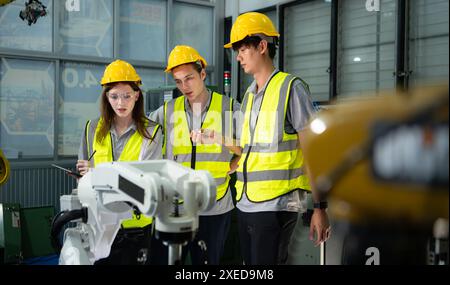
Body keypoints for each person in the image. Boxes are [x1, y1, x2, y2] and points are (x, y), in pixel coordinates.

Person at [224, 12, 331, 265]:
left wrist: (320, 207)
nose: (237, 57)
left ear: (262, 46)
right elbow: (249, 149)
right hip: (247, 202)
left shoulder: (291, 88)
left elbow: (313, 150)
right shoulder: (249, 96)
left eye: (242, 49)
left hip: (276, 206)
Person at [149, 45, 241, 265]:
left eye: (189, 78)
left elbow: (248, 150)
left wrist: (225, 147)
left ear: (202, 74)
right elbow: (140, 132)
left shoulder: (229, 108)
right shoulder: (167, 111)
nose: (184, 86)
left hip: (215, 207)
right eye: (178, 81)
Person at [76, 59, 163, 265]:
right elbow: (83, 178)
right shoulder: (91, 129)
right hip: (100, 225)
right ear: (106, 97)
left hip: (135, 227)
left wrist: (97, 174)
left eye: (126, 96)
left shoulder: (152, 132)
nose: (121, 103)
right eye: (114, 96)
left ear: (137, 95)